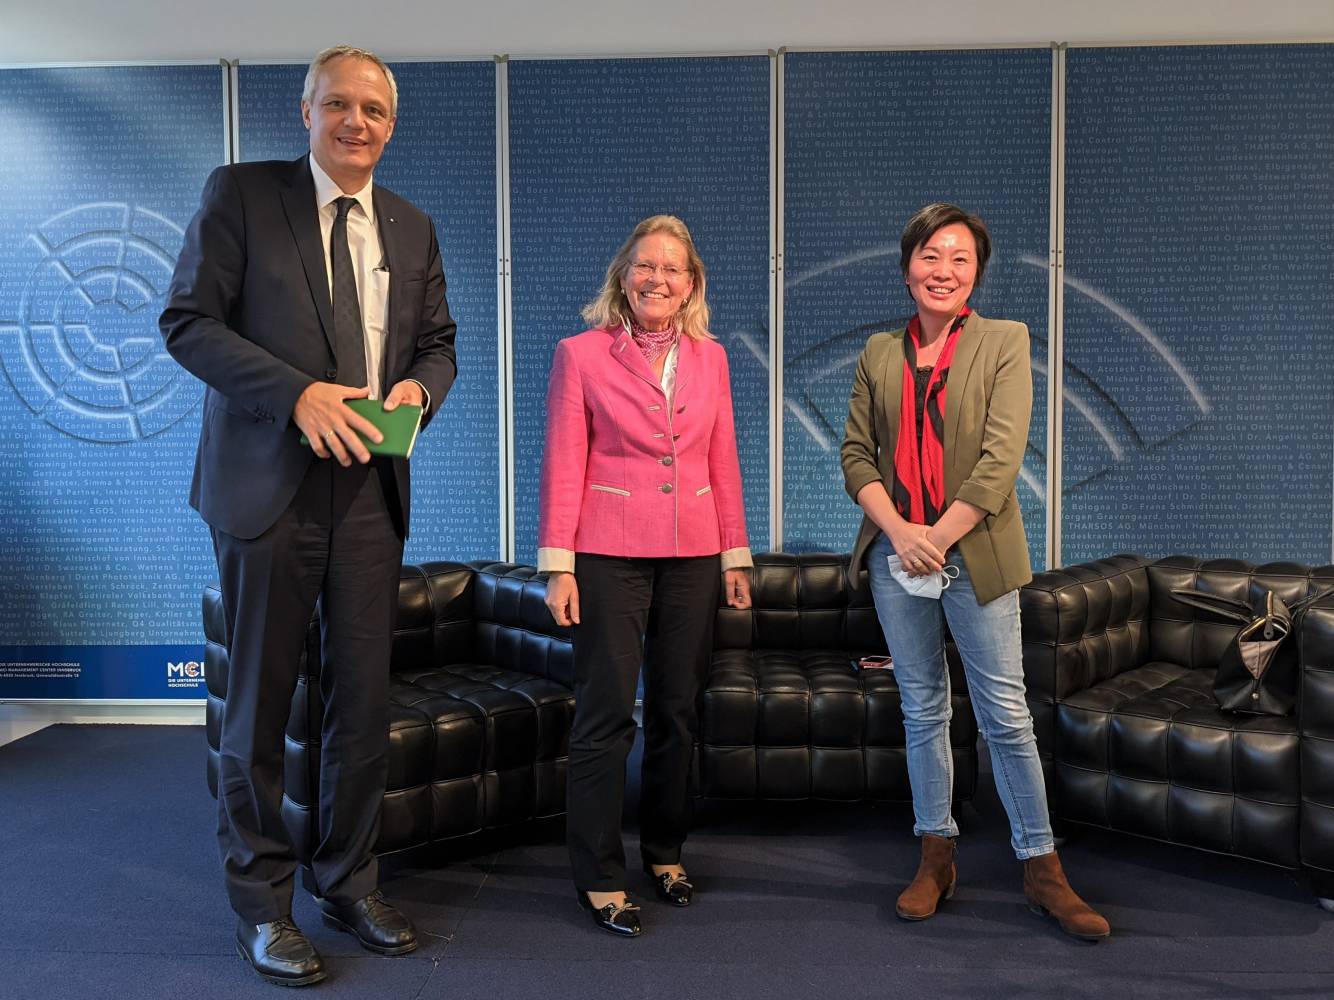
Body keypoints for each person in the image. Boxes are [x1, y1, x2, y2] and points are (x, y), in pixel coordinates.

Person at [160, 45, 457, 986]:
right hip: (266, 487)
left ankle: (347, 879)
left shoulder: (411, 227)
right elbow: (188, 322)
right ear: (307, 112)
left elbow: (441, 345)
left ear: (392, 124)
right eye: (339, 104)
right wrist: (296, 396)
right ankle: (261, 905)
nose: (356, 122)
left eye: (373, 109)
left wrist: (417, 389)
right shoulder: (244, 195)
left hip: (370, 491)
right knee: (258, 705)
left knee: (363, 703)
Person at [840, 203, 1109, 941]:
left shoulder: (1004, 342)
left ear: (976, 273)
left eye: (960, 259)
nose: (944, 270)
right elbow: (855, 457)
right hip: (897, 556)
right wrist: (902, 533)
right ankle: (936, 855)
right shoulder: (877, 352)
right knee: (922, 708)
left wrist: (938, 537)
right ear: (907, 269)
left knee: (1006, 716)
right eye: (931, 256)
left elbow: (1001, 461)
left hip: (976, 554)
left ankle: (1042, 867)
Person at [539, 215, 753, 937]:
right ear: (622, 274)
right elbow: (565, 462)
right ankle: (599, 875)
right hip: (606, 554)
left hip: (694, 553)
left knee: (677, 712)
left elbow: (722, 458)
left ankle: (664, 852)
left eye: (672, 269)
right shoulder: (580, 354)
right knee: (605, 715)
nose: (657, 279)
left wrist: (735, 555)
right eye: (644, 266)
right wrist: (558, 565)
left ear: (691, 284)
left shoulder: (712, 358)